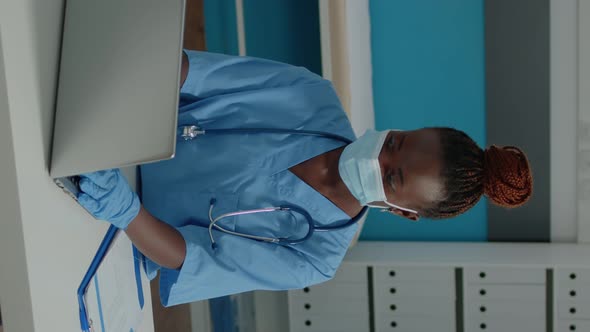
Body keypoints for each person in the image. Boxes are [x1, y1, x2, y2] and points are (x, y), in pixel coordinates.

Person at [77, 50, 533, 306]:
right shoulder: (309, 95)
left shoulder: (316, 255)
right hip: (115, 130)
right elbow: (189, 72)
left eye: (392, 177)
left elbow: (192, 259)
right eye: (394, 141)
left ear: (400, 211)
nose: (377, 156)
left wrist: (124, 209)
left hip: (116, 234)